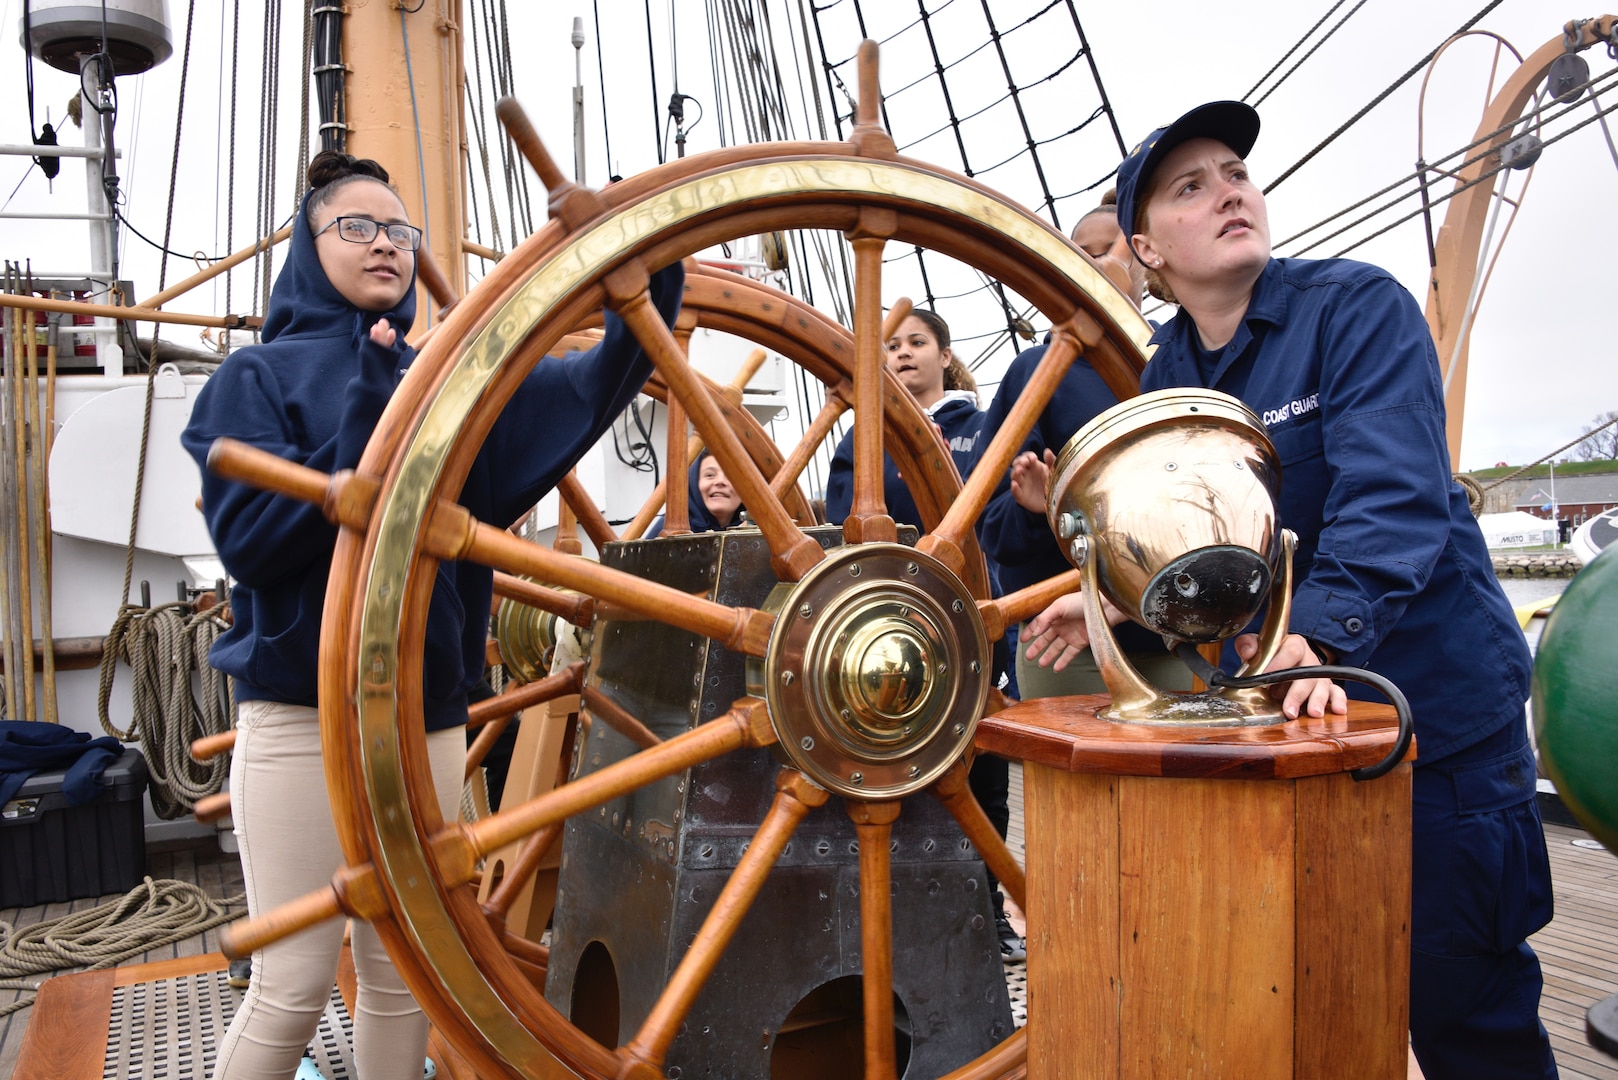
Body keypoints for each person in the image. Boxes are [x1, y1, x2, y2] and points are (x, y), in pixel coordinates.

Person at [1026, 101, 1557, 1078]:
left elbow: (1394, 496)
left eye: (1234, 172)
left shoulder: (1355, 309)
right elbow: (1191, 537)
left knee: (1462, 1013)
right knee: (1306, 998)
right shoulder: (1167, 373)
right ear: (1145, 249)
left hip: (1432, 725)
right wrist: (1112, 597)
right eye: (1191, 186)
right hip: (1293, 728)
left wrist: (1314, 638)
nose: (1228, 190)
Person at [181, 150, 683, 1079]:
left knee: (403, 974)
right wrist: (367, 418)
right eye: (356, 227)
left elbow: (583, 389)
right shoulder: (255, 378)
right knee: (291, 980)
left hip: (428, 720)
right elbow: (254, 544)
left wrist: (648, 269)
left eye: (399, 230)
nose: (385, 244)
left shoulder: (447, 382)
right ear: (308, 246)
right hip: (304, 717)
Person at [822, 309, 1023, 963]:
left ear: (945, 353)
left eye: (916, 343)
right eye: (891, 347)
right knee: (887, 784)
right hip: (879, 634)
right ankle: (898, 928)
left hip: (969, 627)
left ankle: (987, 917)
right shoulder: (859, 438)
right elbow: (837, 528)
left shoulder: (981, 429)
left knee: (982, 785)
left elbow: (994, 520)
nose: (903, 354)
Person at [975, 198, 1193, 699]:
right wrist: (1039, 509)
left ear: (1145, 259)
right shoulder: (1032, 374)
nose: (1100, 263)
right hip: (1065, 647)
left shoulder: (1187, 357)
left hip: (1181, 642)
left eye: (1112, 250)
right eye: (1082, 253)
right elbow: (992, 528)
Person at [648, 448, 747, 536]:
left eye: (731, 476)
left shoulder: (752, 532)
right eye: (710, 475)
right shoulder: (671, 528)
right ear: (694, 483)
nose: (720, 481)